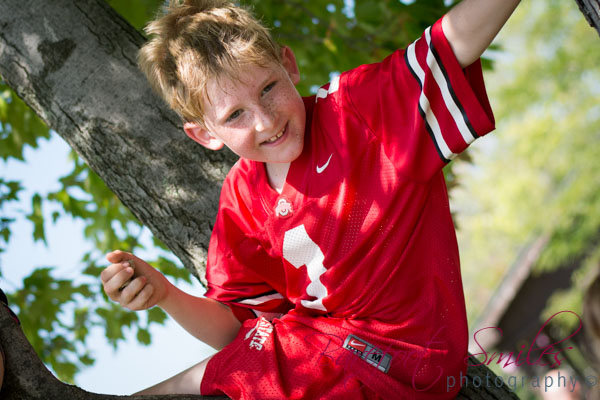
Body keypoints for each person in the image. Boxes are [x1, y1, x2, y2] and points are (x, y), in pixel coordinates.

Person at [100, 0, 520, 398]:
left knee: (235, 374)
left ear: (289, 65)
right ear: (205, 134)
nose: (266, 120)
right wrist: (164, 294)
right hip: (327, 353)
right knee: (238, 365)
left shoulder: (355, 113)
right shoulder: (241, 198)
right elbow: (236, 331)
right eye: (235, 115)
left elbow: (453, 42)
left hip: (401, 354)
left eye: (268, 88)